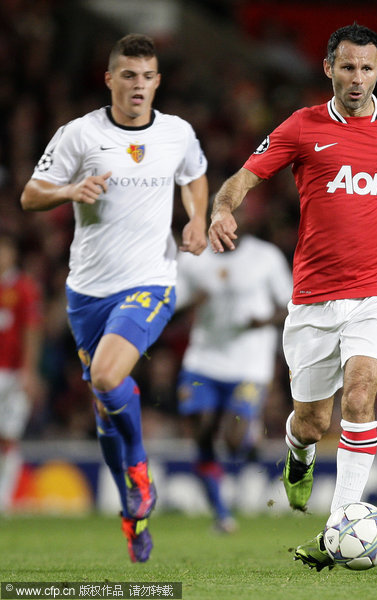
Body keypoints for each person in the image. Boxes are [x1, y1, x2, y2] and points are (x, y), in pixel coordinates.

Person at [208, 23, 377, 571]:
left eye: (366, 68)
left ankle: (337, 530)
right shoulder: (303, 127)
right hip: (314, 299)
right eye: (346, 67)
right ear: (328, 69)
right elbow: (243, 178)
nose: (356, 78)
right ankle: (298, 452)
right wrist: (223, 208)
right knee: (312, 420)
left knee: (360, 397)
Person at [20, 33, 208, 563]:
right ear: (109, 79)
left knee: (106, 377)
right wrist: (68, 190)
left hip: (151, 281)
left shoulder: (176, 133)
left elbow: (194, 176)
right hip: (87, 292)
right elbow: (30, 194)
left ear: (158, 82)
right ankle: (134, 513)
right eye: (129, 75)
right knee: (104, 410)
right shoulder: (80, 135)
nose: (139, 86)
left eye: (148, 77)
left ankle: (140, 472)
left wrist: (196, 217)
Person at [176, 226, 292, 532]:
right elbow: (166, 307)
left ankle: (249, 436)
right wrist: (192, 301)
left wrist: (264, 321)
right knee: (201, 431)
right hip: (203, 361)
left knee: (233, 439)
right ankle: (221, 514)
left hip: (250, 364)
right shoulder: (193, 257)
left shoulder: (265, 257)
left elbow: (291, 305)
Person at [0, 233, 43, 512]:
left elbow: (32, 330)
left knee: (9, 435)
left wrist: (29, 371)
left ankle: (3, 500)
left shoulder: (24, 288)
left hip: (14, 373)